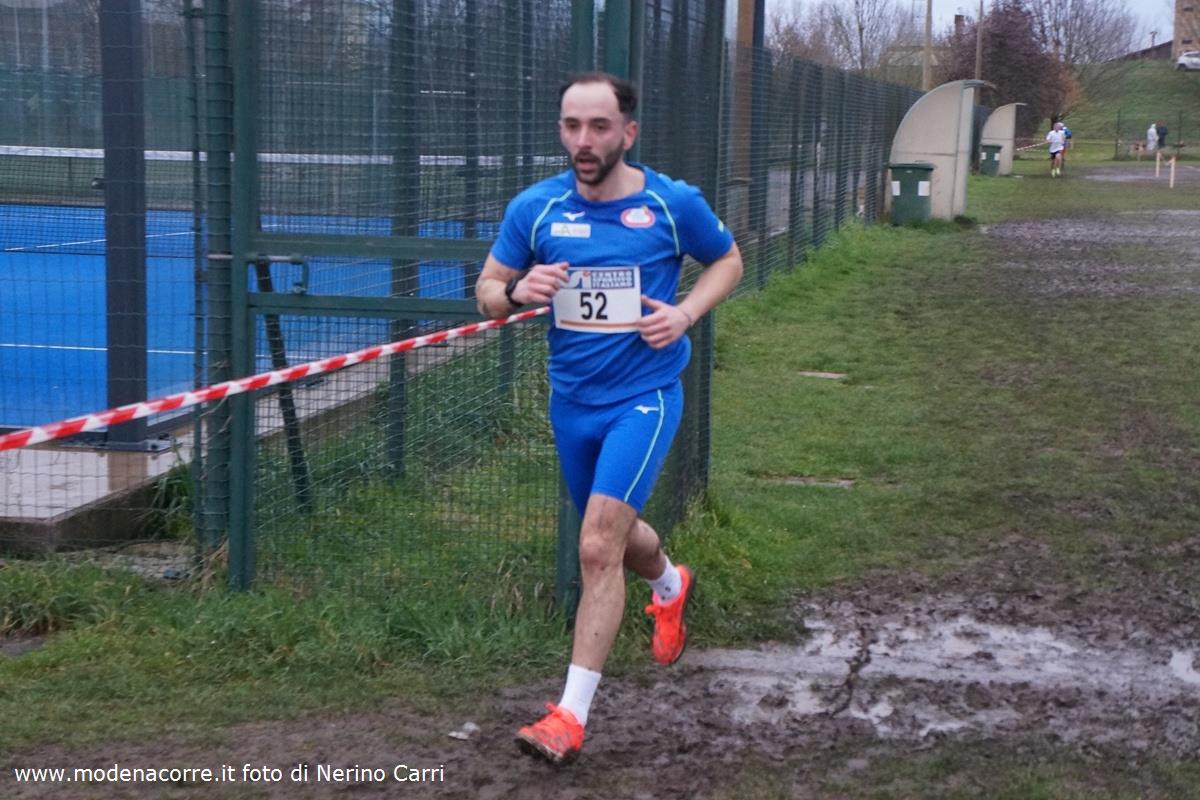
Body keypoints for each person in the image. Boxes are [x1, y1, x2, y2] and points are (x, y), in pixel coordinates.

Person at [474, 72, 743, 764]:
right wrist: (516, 289)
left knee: (595, 545)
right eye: (572, 126)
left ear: (628, 132)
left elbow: (728, 260)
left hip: (644, 396)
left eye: (598, 126)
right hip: (572, 403)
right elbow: (486, 291)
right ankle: (670, 585)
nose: (583, 141)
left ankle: (569, 716)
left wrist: (686, 313)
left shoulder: (670, 203)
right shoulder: (536, 208)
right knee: (617, 538)